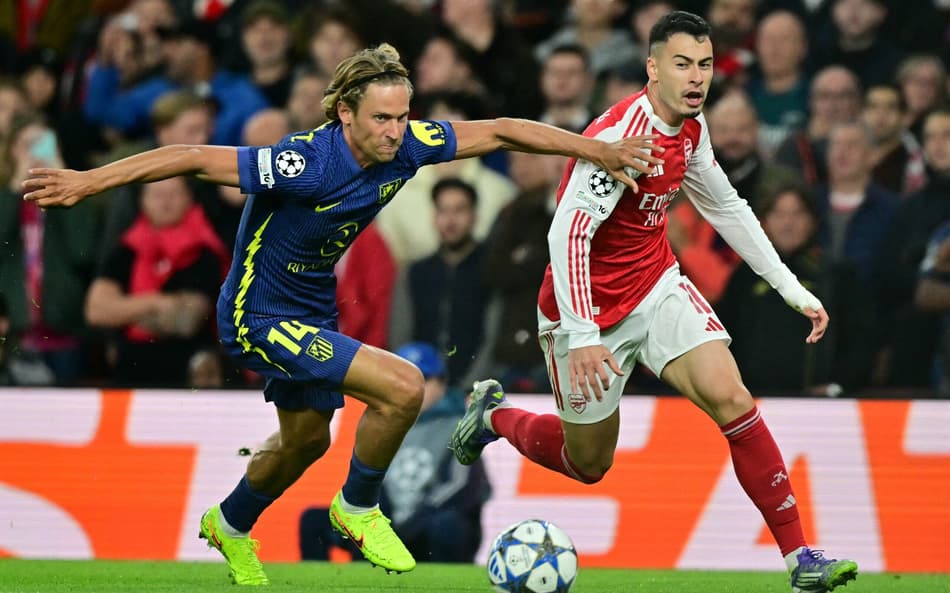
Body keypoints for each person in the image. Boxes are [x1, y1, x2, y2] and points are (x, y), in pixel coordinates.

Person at [22, 43, 659, 584]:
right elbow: (189, 156)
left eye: (403, 116)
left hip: (311, 312)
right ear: (345, 113)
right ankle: (357, 507)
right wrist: (87, 182)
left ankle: (231, 521)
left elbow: (497, 131)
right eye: (382, 118)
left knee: (306, 441)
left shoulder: (408, 146)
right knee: (404, 386)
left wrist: (592, 149)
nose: (396, 130)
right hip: (256, 314)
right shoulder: (303, 162)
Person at [450, 12, 858, 593]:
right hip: (581, 307)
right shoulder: (622, 138)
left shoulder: (691, 127)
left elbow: (726, 205)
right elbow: (566, 235)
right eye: (683, 64)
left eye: (706, 65)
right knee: (586, 463)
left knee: (733, 398)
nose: (697, 78)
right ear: (652, 67)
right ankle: (492, 415)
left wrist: (792, 288)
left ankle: (801, 560)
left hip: (654, 284)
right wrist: (584, 336)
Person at [300, 341, 490, 563]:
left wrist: (411, 521)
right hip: (385, 522)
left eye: (422, 379)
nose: (410, 388)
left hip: (428, 524)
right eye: (399, 379)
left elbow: (462, 487)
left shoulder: (460, 423)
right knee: (313, 521)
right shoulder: (380, 421)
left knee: (447, 525)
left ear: (441, 383)